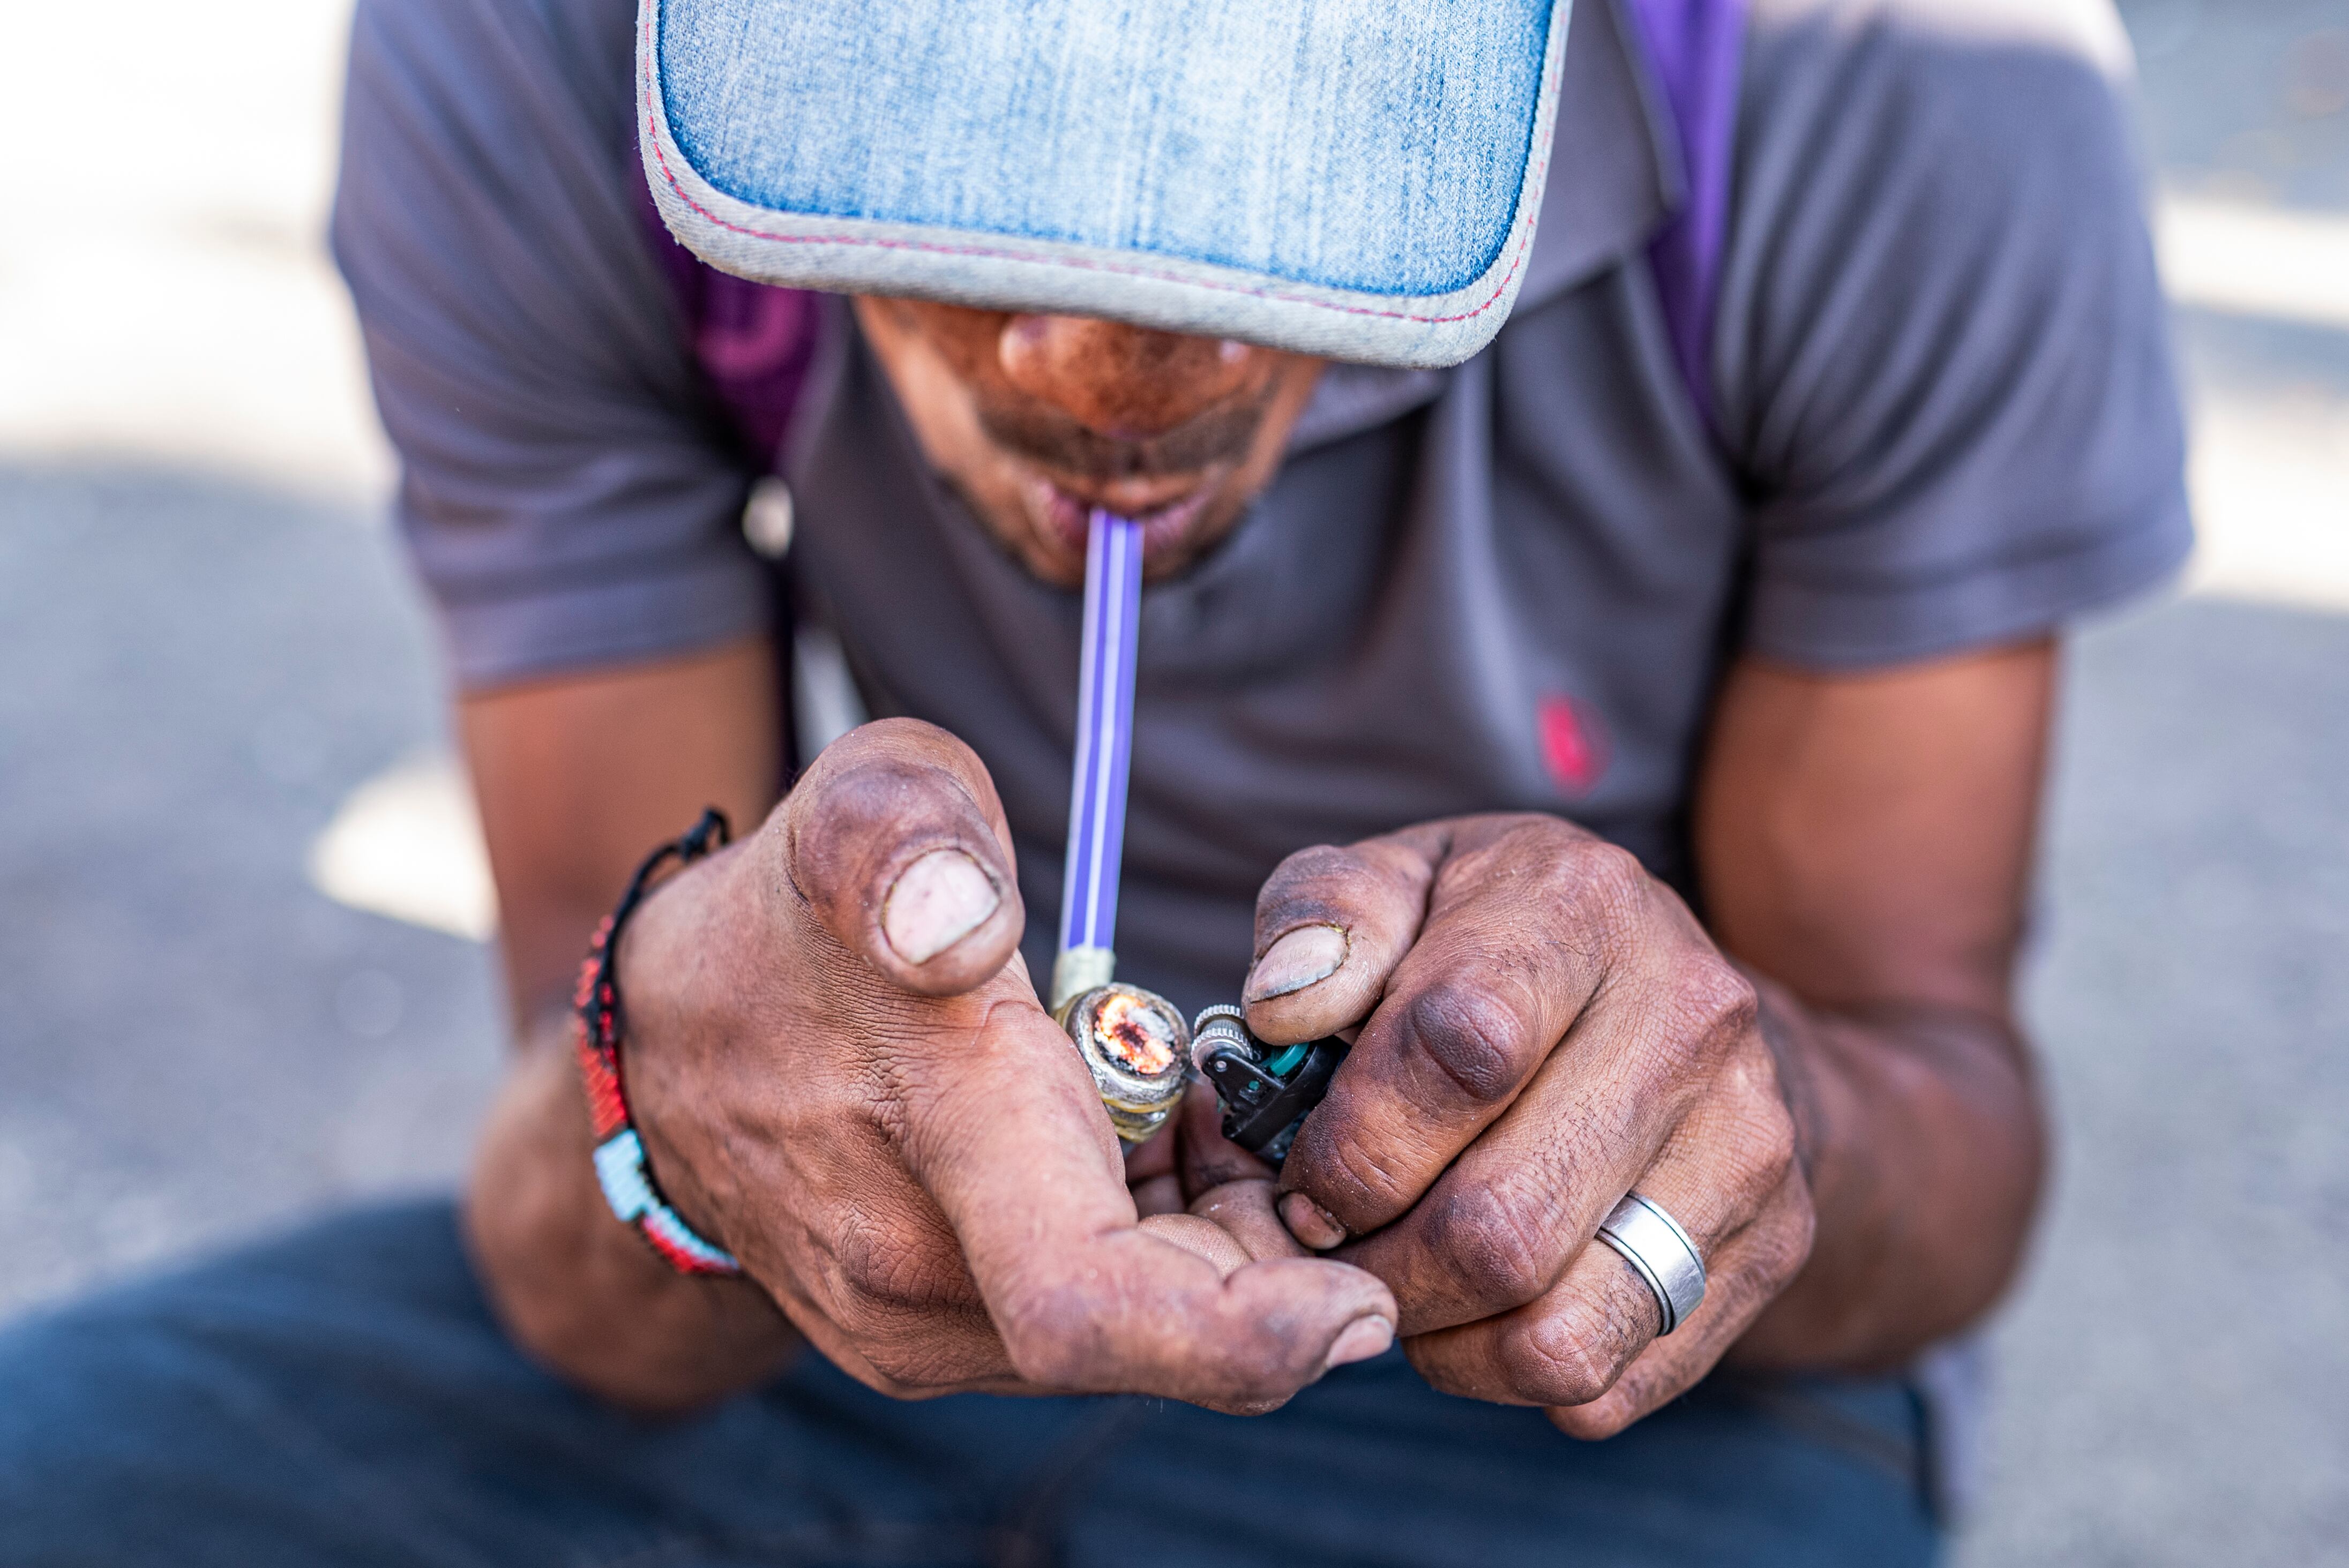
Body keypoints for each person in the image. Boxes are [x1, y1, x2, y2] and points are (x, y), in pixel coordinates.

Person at [0, 0, 2190, 1562]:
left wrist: (1721, 1118)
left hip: (1569, 1435)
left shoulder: (1896, 80)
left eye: (1266, 141)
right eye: (938, 167)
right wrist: (665, 1110)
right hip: (807, 1359)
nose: (1090, 362)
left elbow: (1945, 1160)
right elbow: (578, 1247)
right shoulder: (536, 55)